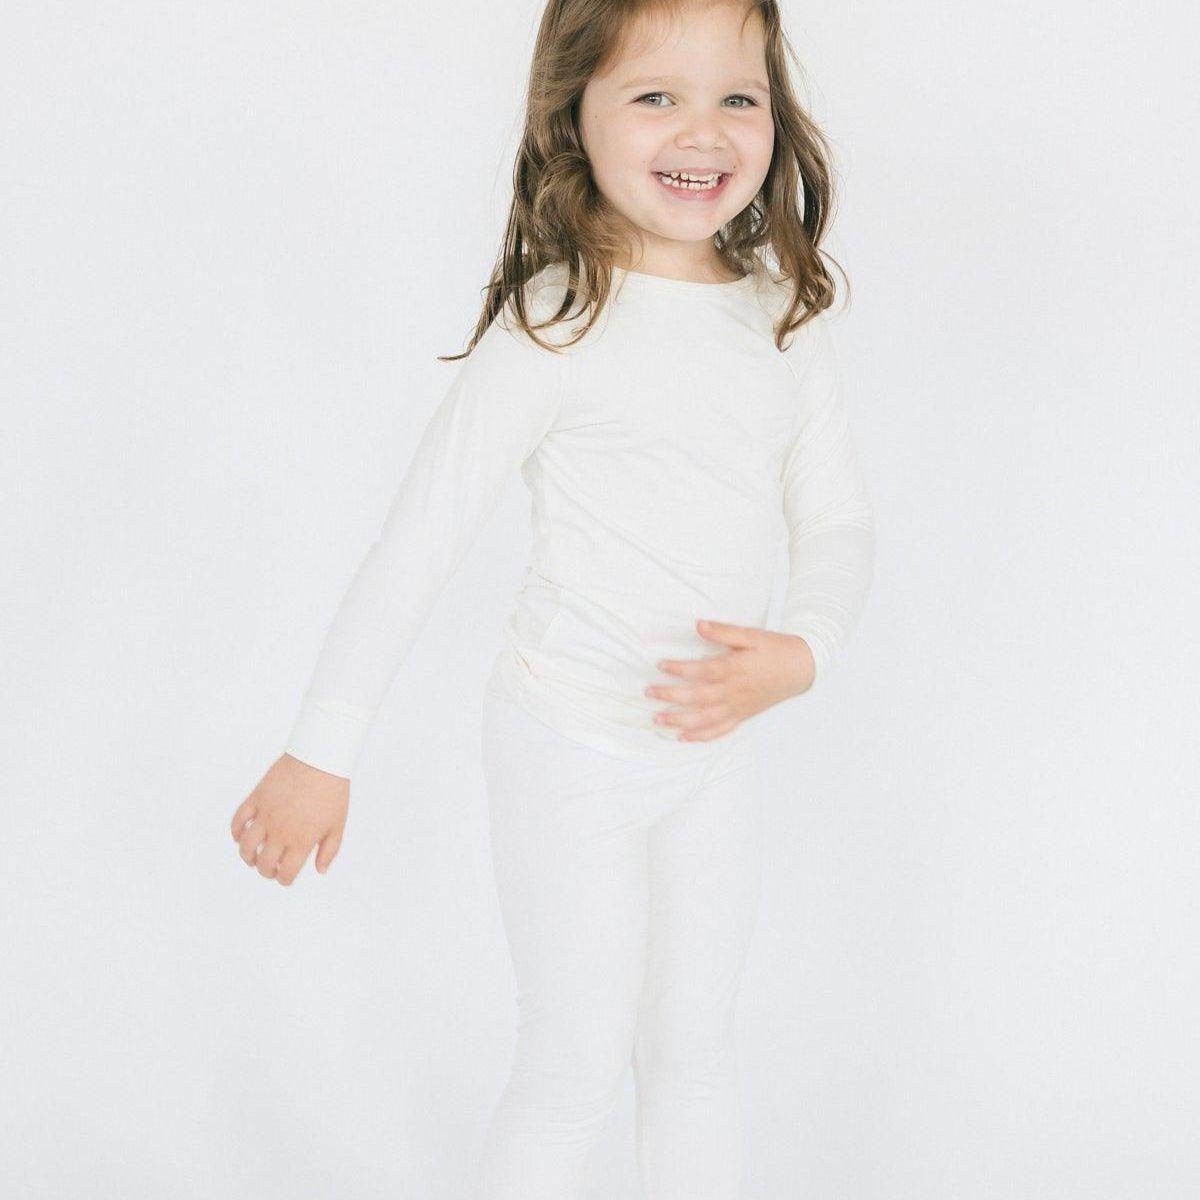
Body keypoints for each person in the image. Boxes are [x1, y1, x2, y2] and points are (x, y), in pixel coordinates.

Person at [229, 0, 876, 1195]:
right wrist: (321, 751)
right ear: (572, 113)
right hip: (567, 747)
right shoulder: (554, 327)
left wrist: (808, 649)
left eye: (738, 97)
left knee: (694, 1053)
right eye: (656, 95)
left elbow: (836, 524)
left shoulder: (779, 318)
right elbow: (416, 546)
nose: (704, 130)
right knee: (574, 1062)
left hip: (712, 757)